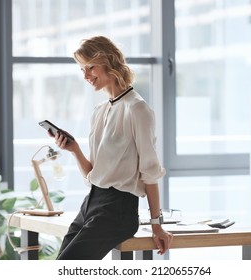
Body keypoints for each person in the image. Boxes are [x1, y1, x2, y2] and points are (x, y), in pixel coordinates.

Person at [53, 36, 173, 260]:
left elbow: (150, 173)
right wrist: (75, 150)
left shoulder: (137, 109)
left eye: (90, 67)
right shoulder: (99, 110)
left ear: (108, 61)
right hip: (90, 204)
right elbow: (93, 176)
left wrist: (157, 225)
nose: (86, 76)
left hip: (117, 210)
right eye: (82, 70)